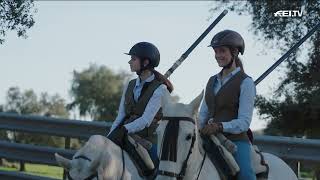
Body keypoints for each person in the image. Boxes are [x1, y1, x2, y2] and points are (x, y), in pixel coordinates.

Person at [198, 30, 256, 180]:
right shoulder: (212, 81)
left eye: (222, 51)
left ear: (235, 52)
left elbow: (244, 122)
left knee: (245, 175)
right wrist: (197, 126)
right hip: (209, 138)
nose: (218, 55)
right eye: (216, 51)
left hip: (235, 140)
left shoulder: (246, 82)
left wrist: (220, 126)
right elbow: (203, 113)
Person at [107, 41, 173, 166]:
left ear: (145, 62)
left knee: (158, 168)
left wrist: (124, 129)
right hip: (125, 134)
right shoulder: (130, 84)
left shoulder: (161, 89)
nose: (129, 62)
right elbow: (121, 115)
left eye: (133, 59)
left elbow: (145, 120)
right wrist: (111, 136)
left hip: (149, 140)